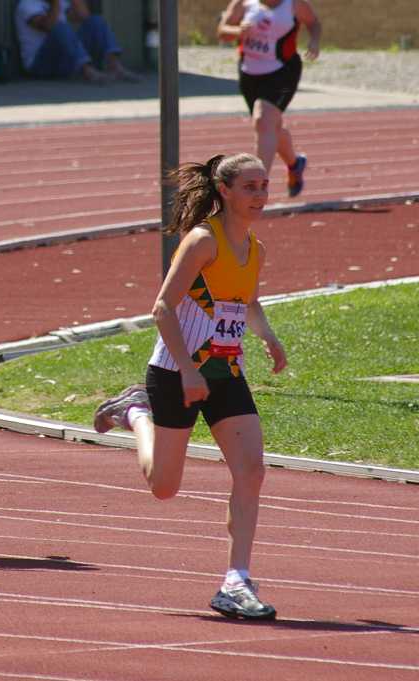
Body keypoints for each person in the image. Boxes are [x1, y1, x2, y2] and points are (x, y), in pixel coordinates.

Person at [93, 153, 287, 620]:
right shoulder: (203, 240)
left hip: (225, 373)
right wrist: (187, 370)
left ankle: (236, 580)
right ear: (224, 190)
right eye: (249, 187)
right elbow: (162, 308)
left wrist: (270, 337)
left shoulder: (254, 248)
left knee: (252, 471)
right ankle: (135, 413)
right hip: (176, 373)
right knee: (164, 486)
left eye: (263, 186)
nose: (259, 195)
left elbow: (248, 303)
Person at [218, 0, 321, 197]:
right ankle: (295, 164)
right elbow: (222, 32)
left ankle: (256, 185)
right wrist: (238, 31)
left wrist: (314, 41)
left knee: (262, 120)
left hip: (283, 71)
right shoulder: (243, 3)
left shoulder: (294, 4)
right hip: (249, 72)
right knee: (270, 127)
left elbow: (314, 23)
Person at [15, 0, 139, 83]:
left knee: (96, 20)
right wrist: (55, 2)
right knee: (59, 27)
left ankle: (115, 66)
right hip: (40, 66)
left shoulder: (59, 3)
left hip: (64, 62)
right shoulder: (27, 5)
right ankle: (88, 71)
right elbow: (49, 26)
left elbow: (84, 16)